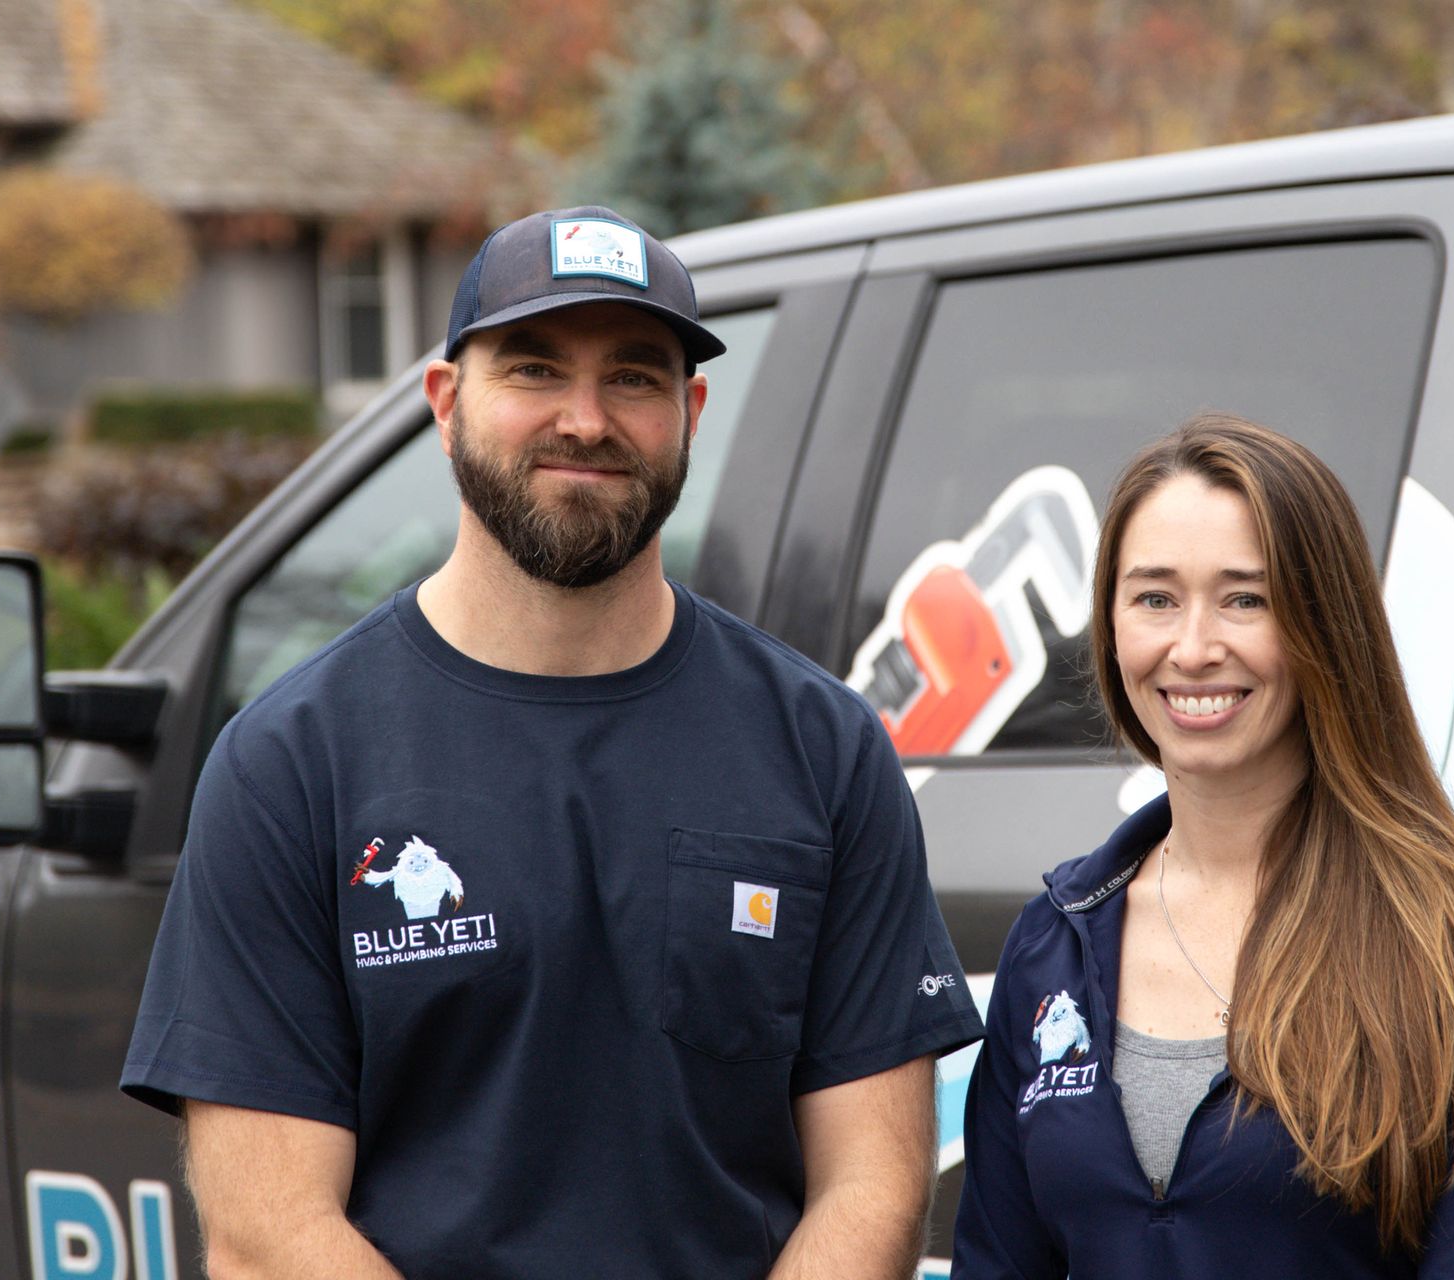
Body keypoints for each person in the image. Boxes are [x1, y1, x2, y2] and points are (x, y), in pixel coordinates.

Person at [120, 206, 982, 1278]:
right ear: (446, 403)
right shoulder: (294, 762)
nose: (586, 418)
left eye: (633, 376)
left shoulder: (823, 747)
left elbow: (875, 1188)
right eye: (533, 368)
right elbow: (267, 1232)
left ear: (691, 409)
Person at [952, 414, 1454, 1277]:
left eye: (1247, 598)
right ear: (1110, 625)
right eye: (1155, 598)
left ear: (1328, 625)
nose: (1194, 648)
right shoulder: (1052, 943)